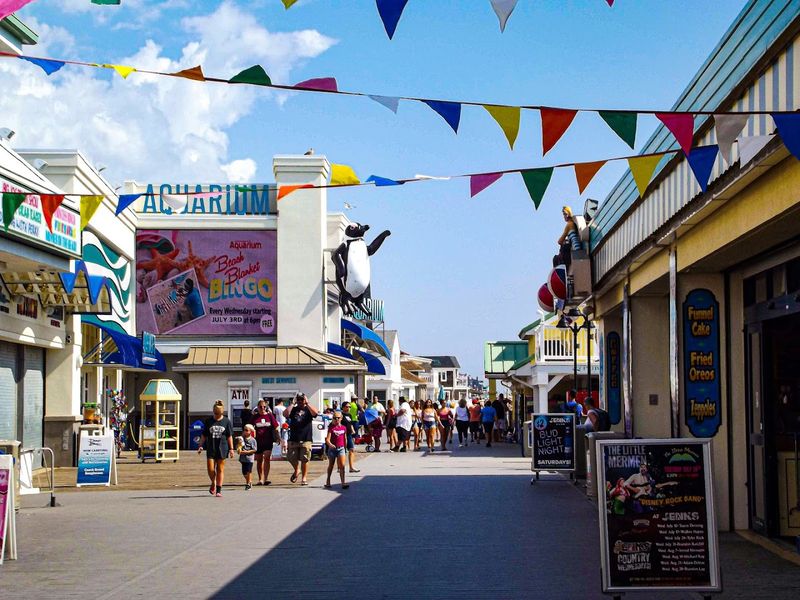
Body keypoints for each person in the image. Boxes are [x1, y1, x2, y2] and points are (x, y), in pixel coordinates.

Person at [197, 400, 234, 497]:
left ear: (222, 412)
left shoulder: (226, 421)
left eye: (219, 413)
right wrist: (200, 445)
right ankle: (213, 482)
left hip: (222, 447)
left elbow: (229, 436)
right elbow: (204, 434)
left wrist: (231, 449)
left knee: (220, 469)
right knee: (210, 468)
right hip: (211, 447)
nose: (217, 415)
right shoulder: (209, 421)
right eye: (215, 413)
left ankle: (219, 490)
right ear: (213, 411)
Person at [284, 393, 318, 486]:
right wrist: (292, 403)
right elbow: (285, 414)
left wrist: (307, 403)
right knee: (291, 457)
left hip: (306, 438)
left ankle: (304, 478)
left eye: (301, 399)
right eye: (298, 399)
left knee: (305, 459)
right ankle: (297, 470)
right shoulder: (293, 409)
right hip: (294, 438)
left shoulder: (308, 409)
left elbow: (315, 413)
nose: (300, 401)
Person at [251, 399, 278, 485]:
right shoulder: (255, 417)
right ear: (257, 407)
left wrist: (278, 438)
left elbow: (276, 427)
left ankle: (265, 478)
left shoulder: (270, 416)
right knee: (259, 460)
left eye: (264, 407)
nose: (262, 408)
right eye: (260, 407)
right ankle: (260, 479)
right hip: (258, 441)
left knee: (267, 458)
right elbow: (249, 427)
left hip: (268, 440)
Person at [324, 411, 349, 490]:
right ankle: (328, 480)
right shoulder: (331, 427)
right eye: (334, 418)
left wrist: (345, 448)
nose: (336, 419)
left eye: (338, 418)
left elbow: (345, 438)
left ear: (341, 418)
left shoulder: (344, 427)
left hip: (341, 448)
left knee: (342, 465)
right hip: (332, 449)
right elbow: (327, 440)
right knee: (331, 465)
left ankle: (343, 482)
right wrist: (330, 445)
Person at [340, 401, 360, 473]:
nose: (348, 408)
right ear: (343, 407)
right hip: (342, 435)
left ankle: (351, 467)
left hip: (349, 435)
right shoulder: (341, 415)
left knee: (351, 449)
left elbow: (350, 424)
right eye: (347, 407)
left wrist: (353, 430)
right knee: (341, 451)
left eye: (349, 407)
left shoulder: (349, 415)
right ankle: (340, 467)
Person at [239, 424, 257, 490]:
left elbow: (254, 449)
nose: (245, 431)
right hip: (243, 458)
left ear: (250, 431)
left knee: (249, 471)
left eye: (246, 430)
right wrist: (239, 446)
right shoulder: (242, 439)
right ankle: (249, 481)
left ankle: (248, 483)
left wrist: (247, 452)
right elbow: (238, 447)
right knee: (244, 472)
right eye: (244, 430)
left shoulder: (253, 440)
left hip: (250, 458)